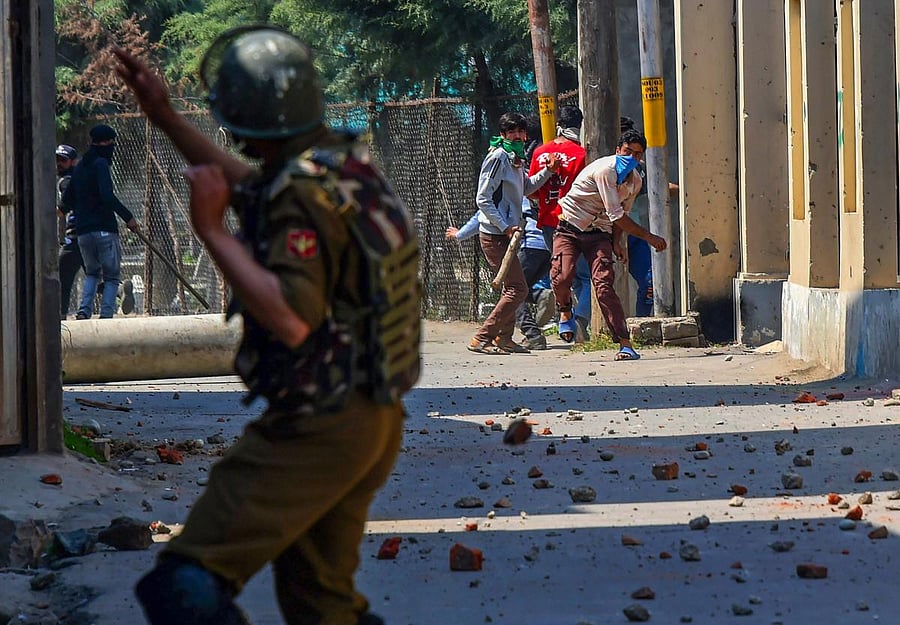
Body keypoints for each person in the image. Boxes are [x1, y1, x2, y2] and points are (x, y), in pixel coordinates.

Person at [115, 25, 421, 625]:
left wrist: (213, 232)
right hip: (371, 415)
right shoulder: (338, 170)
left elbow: (293, 318)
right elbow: (252, 185)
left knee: (184, 588)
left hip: (320, 424)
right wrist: (165, 119)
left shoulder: (302, 195)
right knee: (321, 604)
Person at [551, 129, 667, 361]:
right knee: (563, 276)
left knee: (604, 286)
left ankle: (625, 344)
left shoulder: (635, 180)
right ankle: (565, 311)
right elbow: (619, 217)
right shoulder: (606, 170)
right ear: (617, 151)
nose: (631, 158)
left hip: (599, 234)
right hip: (570, 228)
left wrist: (616, 243)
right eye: (627, 152)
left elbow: (621, 214)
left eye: (637, 154)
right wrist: (650, 237)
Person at [468, 111, 558, 355]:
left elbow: (526, 188)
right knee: (518, 288)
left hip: (508, 234)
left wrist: (548, 171)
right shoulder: (498, 157)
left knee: (512, 287)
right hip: (495, 234)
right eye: (511, 132)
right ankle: (483, 336)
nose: (517, 136)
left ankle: (505, 338)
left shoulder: (515, 158)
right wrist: (504, 226)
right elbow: (483, 198)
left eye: (520, 132)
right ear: (503, 135)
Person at [447, 198, 550, 350]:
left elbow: (482, 215)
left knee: (514, 290)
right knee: (517, 289)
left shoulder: (507, 188)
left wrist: (460, 234)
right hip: (548, 246)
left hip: (529, 246)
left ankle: (529, 334)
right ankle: (505, 337)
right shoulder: (527, 190)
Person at [61, 124, 140, 319]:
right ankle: (106, 315)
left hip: (84, 233)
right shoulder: (101, 164)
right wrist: (128, 217)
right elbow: (107, 195)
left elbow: (66, 202)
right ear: (106, 142)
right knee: (112, 277)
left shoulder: (79, 167)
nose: (112, 146)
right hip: (104, 229)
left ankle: (84, 312)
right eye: (111, 143)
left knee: (92, 274)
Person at [527, 105, 591, 342]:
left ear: (558, 125)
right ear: (580, 125)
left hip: (548, 221)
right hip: (576, 221)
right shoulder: (582, 154)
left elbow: (531, 191)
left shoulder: (540, 153)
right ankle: (582, 321)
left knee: (561, 274)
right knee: (585, 277)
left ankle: (567, 318)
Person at [55, 144, 82, 320]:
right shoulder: (81, 178)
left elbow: (63, 208)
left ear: (72, 162)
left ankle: (61, 316)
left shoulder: (67, 182)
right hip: (87, 235)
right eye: (57, 159)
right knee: (94, 274)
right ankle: (117, 289)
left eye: (63, 160)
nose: (58, 163)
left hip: (74, 237)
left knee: (61, 280)